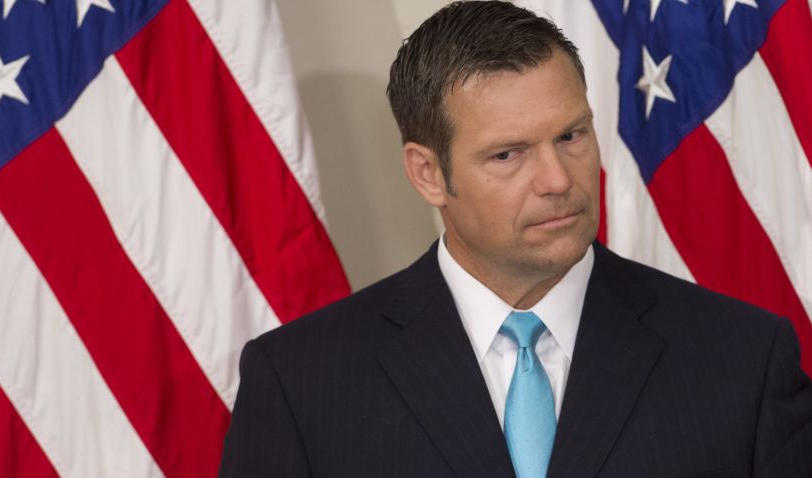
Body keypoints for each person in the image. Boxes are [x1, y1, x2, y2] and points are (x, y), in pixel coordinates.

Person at [219, 2, 812, 477]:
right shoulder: (300, 382)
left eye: (572, 136)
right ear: (428, 173)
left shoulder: (745, 360)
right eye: (508, 154)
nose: (558, 180)